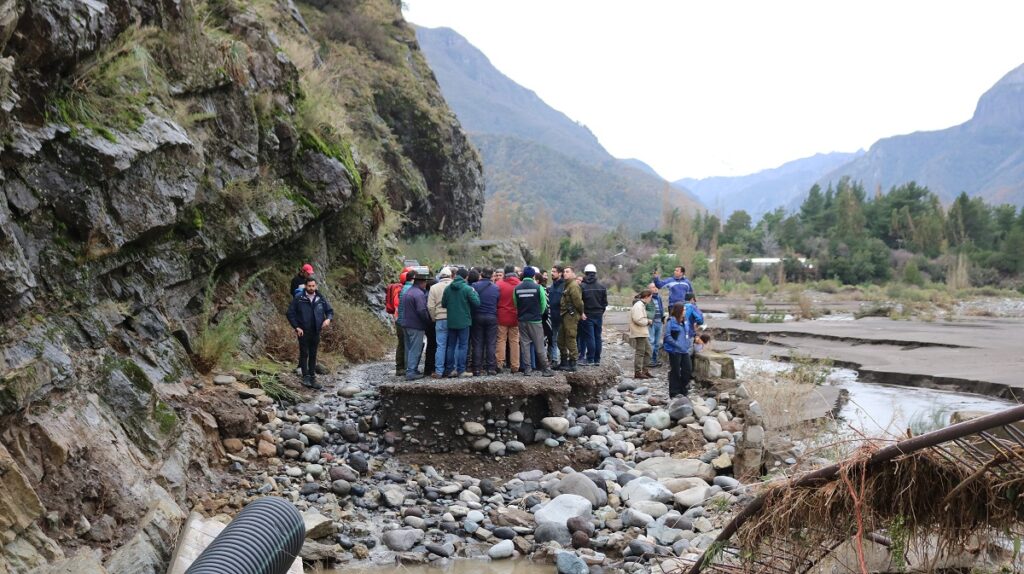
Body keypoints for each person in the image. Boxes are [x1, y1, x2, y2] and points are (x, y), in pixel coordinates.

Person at [286, 277, 334, 389]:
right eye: (309, 286)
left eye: (313, 286)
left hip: (316, 330)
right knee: (304, 354)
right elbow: (290, 313)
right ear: (306, 286)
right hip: (303, 331)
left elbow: (330, 311)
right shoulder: (299, 298)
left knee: (313, 354)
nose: (311, 288)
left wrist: (328, 319)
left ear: (316, 286)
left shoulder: (320, 298)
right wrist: (296, 327)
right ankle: (305, 377)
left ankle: (312, 377)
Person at [513, 267, 554, 377]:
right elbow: (544, 304)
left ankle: (527, 369)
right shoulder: (538, 287)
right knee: (539, 345)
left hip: (522, 320)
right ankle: (546, 369)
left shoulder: (517, 288)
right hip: (535, 320)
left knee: (525, 345)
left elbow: (516, 304)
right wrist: (538, 314)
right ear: (533, 276)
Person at [441, 268, 480, 377]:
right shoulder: (467, 289)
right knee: (463, 346)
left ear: (455, 275)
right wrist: (474, 293)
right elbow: (477, 303)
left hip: (451, 320)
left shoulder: (448, 289)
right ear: (466, 277)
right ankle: (461, 370)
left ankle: (450, 370)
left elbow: (443, 304)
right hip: (464, 321)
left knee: (451, 346)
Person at [398, 273, 431, 380]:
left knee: (409, 348)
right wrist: (428, 321)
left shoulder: (408, 292)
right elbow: (422, 310)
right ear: (422, 282)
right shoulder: (419, 294)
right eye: (425, 282)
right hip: (416, 325)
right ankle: (411, 372)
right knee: (415, 349)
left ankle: (409, 369)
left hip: (405, 324)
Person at [471, 268, 500, 376]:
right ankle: (491, 368)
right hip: (492, 316)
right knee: (491, 343)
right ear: (491, 276)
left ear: (481, 275)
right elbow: (497, 301)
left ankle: (477, 369)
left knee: (478, 343)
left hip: (477, 316)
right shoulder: (496, 288)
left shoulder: (474, 286)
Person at [579, 264, 608, 366]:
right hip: (599, 314)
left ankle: (590, 359)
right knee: (597, 337)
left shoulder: (582, 286)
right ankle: (597, 359)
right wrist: (601, 311)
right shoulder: (602, 286)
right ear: (595, 273)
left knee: (590, 337)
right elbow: (605, 303)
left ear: (585, 273)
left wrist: (582, 313)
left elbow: (579, 302)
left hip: (587, 315)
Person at [428, 267, 454, 378]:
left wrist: (434, 317)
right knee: (451, 345)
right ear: (451, 275)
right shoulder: (454, 286)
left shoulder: (433, 288)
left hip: (439, 319)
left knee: (440, 346)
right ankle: (450, 369)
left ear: (440, 276)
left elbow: (430, 306)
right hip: (453, 319)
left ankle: (439, 371)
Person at [496, 265, 521, 373]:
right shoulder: (519, 284)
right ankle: (515, 366)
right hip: (515, 317)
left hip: (501, 316)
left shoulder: (499, 284)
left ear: (505, 273)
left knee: (501, 340)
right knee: (514, 341)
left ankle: (499, 363)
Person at [557, 267, 583, 371]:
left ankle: (573, 362)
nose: (565, 273)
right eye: (564, 272)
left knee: (571, 337)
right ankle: (563, 361)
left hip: (571, 315)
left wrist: (580, 313)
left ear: (573, 274)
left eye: (567, 272)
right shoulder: (567, 285)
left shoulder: (574, 286)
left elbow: (578, 302)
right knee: (560, 339)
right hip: (564, 314)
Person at [387, 268, 412, 377]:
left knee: (401, 344)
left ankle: (400, 367)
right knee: (405, 344)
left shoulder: (397, 289)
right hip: (403, 320)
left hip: (397, 320)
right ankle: (403, 368)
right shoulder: (403, 290)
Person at [664, 302, 692, 397]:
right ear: (679, 311)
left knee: (687, 370)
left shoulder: (685, 321)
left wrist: (689, 343)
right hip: (675, 351)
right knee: (675, 371)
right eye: (683, 310)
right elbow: (667, 336)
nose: (685, 311)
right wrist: (676, 345)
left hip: (685, 350)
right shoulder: (671, 321)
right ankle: (674, 392)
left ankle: (683, 389)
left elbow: (688, 333)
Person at [629, 289, 654, 380]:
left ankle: (644, 370)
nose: (651, 299)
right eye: (650, 297)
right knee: (640, 352)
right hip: (639, 332)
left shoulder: (641, 305)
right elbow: (637, 319)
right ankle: (638, 372)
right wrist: (648, 321)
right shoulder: (638, 306)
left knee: (648, 351)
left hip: (642, 331)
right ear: (646, 297)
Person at [547, 266, 565, 367]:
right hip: (553, 317)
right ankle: (554, 360)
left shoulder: (564, 285)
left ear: (560, 273)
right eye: (551, 271)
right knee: (553, 339)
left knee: (562, 340)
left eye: (554, 272)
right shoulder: (552, 286)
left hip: (562, 317)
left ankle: (563, 360)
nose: (552, 273)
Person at [647, 282, 665, 369]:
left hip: (659, 322)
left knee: (657, 343)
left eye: (656, 287)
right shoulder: (648, 298)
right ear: (649, 289)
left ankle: (655, 360)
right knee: (651, 341)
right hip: (652, 322)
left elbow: (662, 308)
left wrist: (663, 317)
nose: (655, 288)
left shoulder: (658, 297)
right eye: (653, 287)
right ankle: (649, 360)